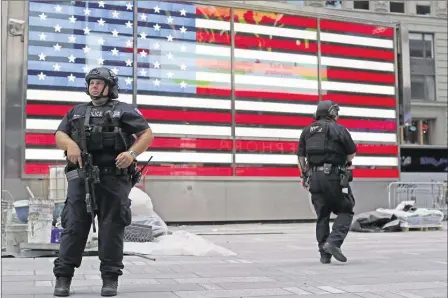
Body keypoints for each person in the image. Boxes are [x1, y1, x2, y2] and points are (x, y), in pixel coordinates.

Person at [52, 67, 153, 296]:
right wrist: (70, 144)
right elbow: (60, 134)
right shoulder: (76, 112)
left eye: (99, 83)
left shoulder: (124, 111)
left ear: (110, 87)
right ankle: (63, 277)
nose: (94, 87)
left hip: (113, 178)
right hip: (81, 176)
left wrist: (132, 154)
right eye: (91, 83)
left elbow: (146, 134)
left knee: (111, 228)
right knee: (74, 227)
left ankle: (110, 278)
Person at [297, 100, 357, 264]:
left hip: (314, 178)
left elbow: (300, 157)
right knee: (346, 209)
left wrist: (304, 176)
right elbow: (351, 153)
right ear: (332, 112)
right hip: (334, 176)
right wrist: (346, 162)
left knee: (322, 215)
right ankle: (333, 242)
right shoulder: (338, 129)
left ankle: (324, 254)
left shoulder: (307, 131)